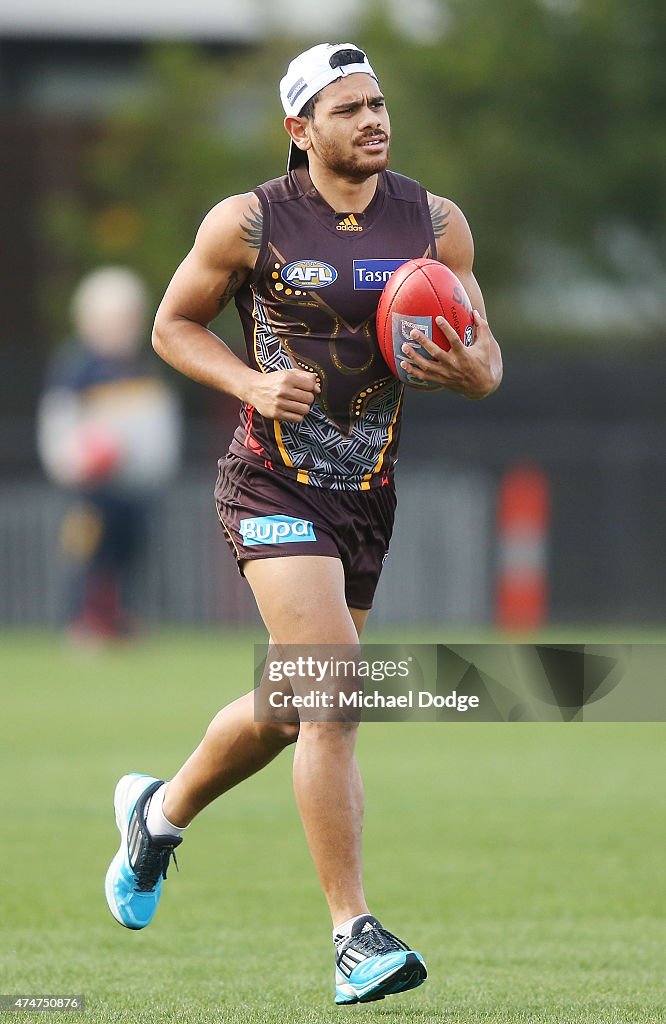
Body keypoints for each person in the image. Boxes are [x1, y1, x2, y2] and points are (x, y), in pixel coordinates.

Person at [104, 43, 502, 1004]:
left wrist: (469, 369)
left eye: (378, 104)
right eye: (349, 109)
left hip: (367, 492)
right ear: (300, 130)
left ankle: (158, 814)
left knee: (291, 707)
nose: (374, 120)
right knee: (334, 692)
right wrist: (248, 381)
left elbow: (487, 360)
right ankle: (352, 936)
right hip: (269, 483)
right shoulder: (248, 222)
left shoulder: (436, 221)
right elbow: (172, 326)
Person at [37, 266, 182, 641]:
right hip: (91, 487)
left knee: (131, 552)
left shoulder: (144, 363)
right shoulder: (76, 367)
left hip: (134, 485)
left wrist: (155, 465)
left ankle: (122, 619)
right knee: (89, 554)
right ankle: (84, 623)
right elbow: (58, 425)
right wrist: (71, 462)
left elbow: (158, 424)